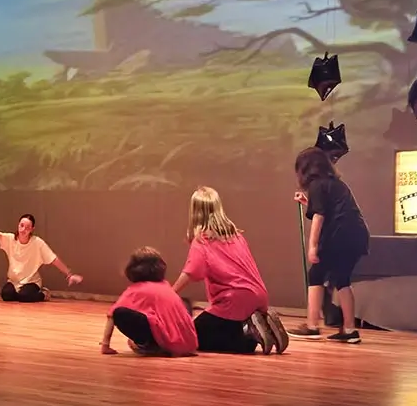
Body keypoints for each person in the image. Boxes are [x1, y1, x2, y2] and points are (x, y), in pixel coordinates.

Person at [171, 187, 289, 355]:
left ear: (195, 211)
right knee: (231, 334)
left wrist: (171, 292)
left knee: (192, 338)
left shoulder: (202, 240)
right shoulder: (236, 236)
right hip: (258, 296)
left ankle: (248, 333)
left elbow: (193, 271)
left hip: (233, 301)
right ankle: (253, 329)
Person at [290, 147, 369, 343]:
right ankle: (350, 330)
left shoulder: (317, 185)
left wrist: (313, 246)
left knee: (315, 275)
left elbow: (320, 215)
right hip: (356, 235)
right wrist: (307, 202)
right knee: (342, 279)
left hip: (338, 236)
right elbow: (329, 208)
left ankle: (312, 326)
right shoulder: (337, 184)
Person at [100, 246, 198, 357]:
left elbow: (112, 315)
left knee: (119, 312)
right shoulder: (165, 286)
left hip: (166, 343)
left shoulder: (135, 290)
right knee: (184, 302)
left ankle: (150, 347)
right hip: (188, 345)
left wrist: (105, 345)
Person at [0, 214, 82, 302]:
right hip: (14, 281)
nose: (23, 229)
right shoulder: (10, 239)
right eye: (21, 225)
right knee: (6, 295)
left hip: (31, 281)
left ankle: (43, 294)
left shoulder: (37, 243)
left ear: (32, 229)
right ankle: (20, 292)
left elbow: (53, 259)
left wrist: (69, 274)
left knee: (24, 296)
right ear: (18, 225)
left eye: (28, 227)